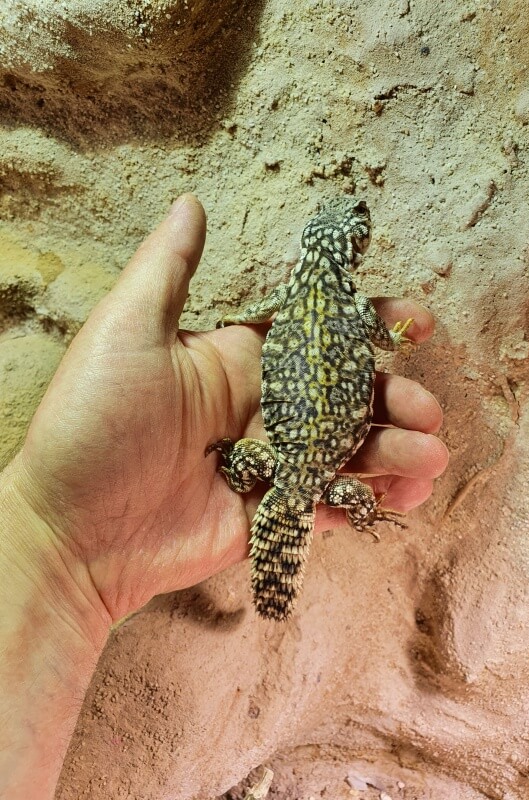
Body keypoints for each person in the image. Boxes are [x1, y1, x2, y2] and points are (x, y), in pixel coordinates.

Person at [0, 194, 449, 799]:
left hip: (286, 463)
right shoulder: (355, 310)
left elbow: (258, 310)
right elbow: (390, 337)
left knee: (283, 480)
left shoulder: (287, 299)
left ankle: (260, 482)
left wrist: (238, 321)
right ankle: (362, 515)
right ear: (356, 250)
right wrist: (383, 333)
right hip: (309, 470)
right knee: (371, 493)